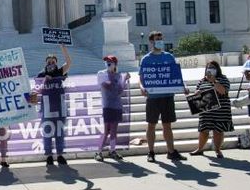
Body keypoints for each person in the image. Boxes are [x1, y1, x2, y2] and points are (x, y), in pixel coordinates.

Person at [139, 31, 189, 162]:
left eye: (161, 38)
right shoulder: (146, 59)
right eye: (157, 39)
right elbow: (141, 77)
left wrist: (183, 87)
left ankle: (171, 151)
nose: (160, 41)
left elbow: (175, 75)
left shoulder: (169, 57)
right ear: (151, 42)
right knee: (151, 125)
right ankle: (151, 152)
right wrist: (141, 87)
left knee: (167, 125)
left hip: (167, 96)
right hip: (153, 97)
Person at [37, 44, 72, 165]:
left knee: (60, 132)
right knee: (47, 132)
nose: (51, 62)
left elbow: (68, 62)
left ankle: (60, 155)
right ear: (46, 63)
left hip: (59, 107)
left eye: (53, 61)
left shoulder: (59, 71)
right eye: (49, 61)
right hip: (46, 108)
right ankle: (49, 156)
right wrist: (44, 80)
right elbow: (37, 89)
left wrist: (63, 48)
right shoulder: (41, 74)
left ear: (56, 62)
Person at [189, 61, 233, 158]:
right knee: (204, 129)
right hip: (206, 109)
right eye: (208, 67)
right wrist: (197, 93)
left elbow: (223, 91)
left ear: (217, 69)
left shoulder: (223, 79)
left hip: (220, 109)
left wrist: (214, 81)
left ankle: (217, 150)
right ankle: (199, 149)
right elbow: (197, 91)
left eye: (213, 67)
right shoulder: (202, 80)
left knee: (218, 130)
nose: (210, 69)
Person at [94, 55, 129, 161]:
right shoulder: (101, 73)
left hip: (117, 105)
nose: (108, 63)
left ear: (115, 64)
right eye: (106, 62)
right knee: (107, 130)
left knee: (114, 130)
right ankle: (98, 152)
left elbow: (119, 90)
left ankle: (112, 150)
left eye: (110, 62)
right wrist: (113, 76)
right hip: (107, 105)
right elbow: (106, 85)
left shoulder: (118, 75)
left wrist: (125, 80)